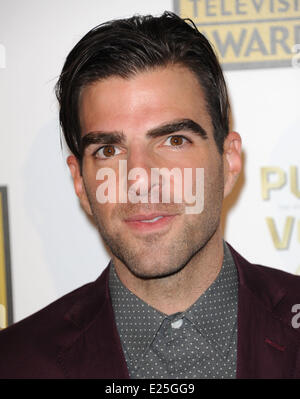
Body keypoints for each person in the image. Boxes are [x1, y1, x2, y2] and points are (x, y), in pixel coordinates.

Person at [0, 11, 300, 380]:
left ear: (229, 160)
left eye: (174, 141)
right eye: (108, 150)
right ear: (80, 181)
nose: (139, 178)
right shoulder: (14, 362)